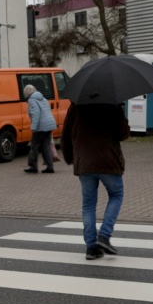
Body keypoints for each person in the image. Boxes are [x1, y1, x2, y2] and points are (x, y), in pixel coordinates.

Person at [61, 103, 130, 260]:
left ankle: (91, 247)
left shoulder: (76, 105)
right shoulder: (111, 103)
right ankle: (104, 236)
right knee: (116, 194)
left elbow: (66, 133)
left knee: (88, 204)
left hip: (84, 162)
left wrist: (70, 156)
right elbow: (122, 133)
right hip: (108, 161)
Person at [23, 84, 57, 173]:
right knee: (45, 146)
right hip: (49, 124)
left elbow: (36, 114)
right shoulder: (43, 98)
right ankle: (50, 167)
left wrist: (33, 127)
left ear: (26, 92)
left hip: (41, 126)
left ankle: (33, 167)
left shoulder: (31, 100)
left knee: (34, 146)